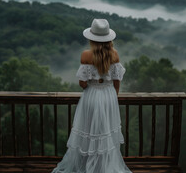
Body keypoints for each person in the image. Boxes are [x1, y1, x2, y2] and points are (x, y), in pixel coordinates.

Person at [52, 19, 132, 173]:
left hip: (92, 96)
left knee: (88, 131)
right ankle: (103, 166)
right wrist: (112, 99)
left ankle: (85, 164)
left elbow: (82, 83)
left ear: (92, 39)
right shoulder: (115, 55)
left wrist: (92, 82)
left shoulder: (86, 55)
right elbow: (117, 82)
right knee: (105, 132)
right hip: (109, 96)